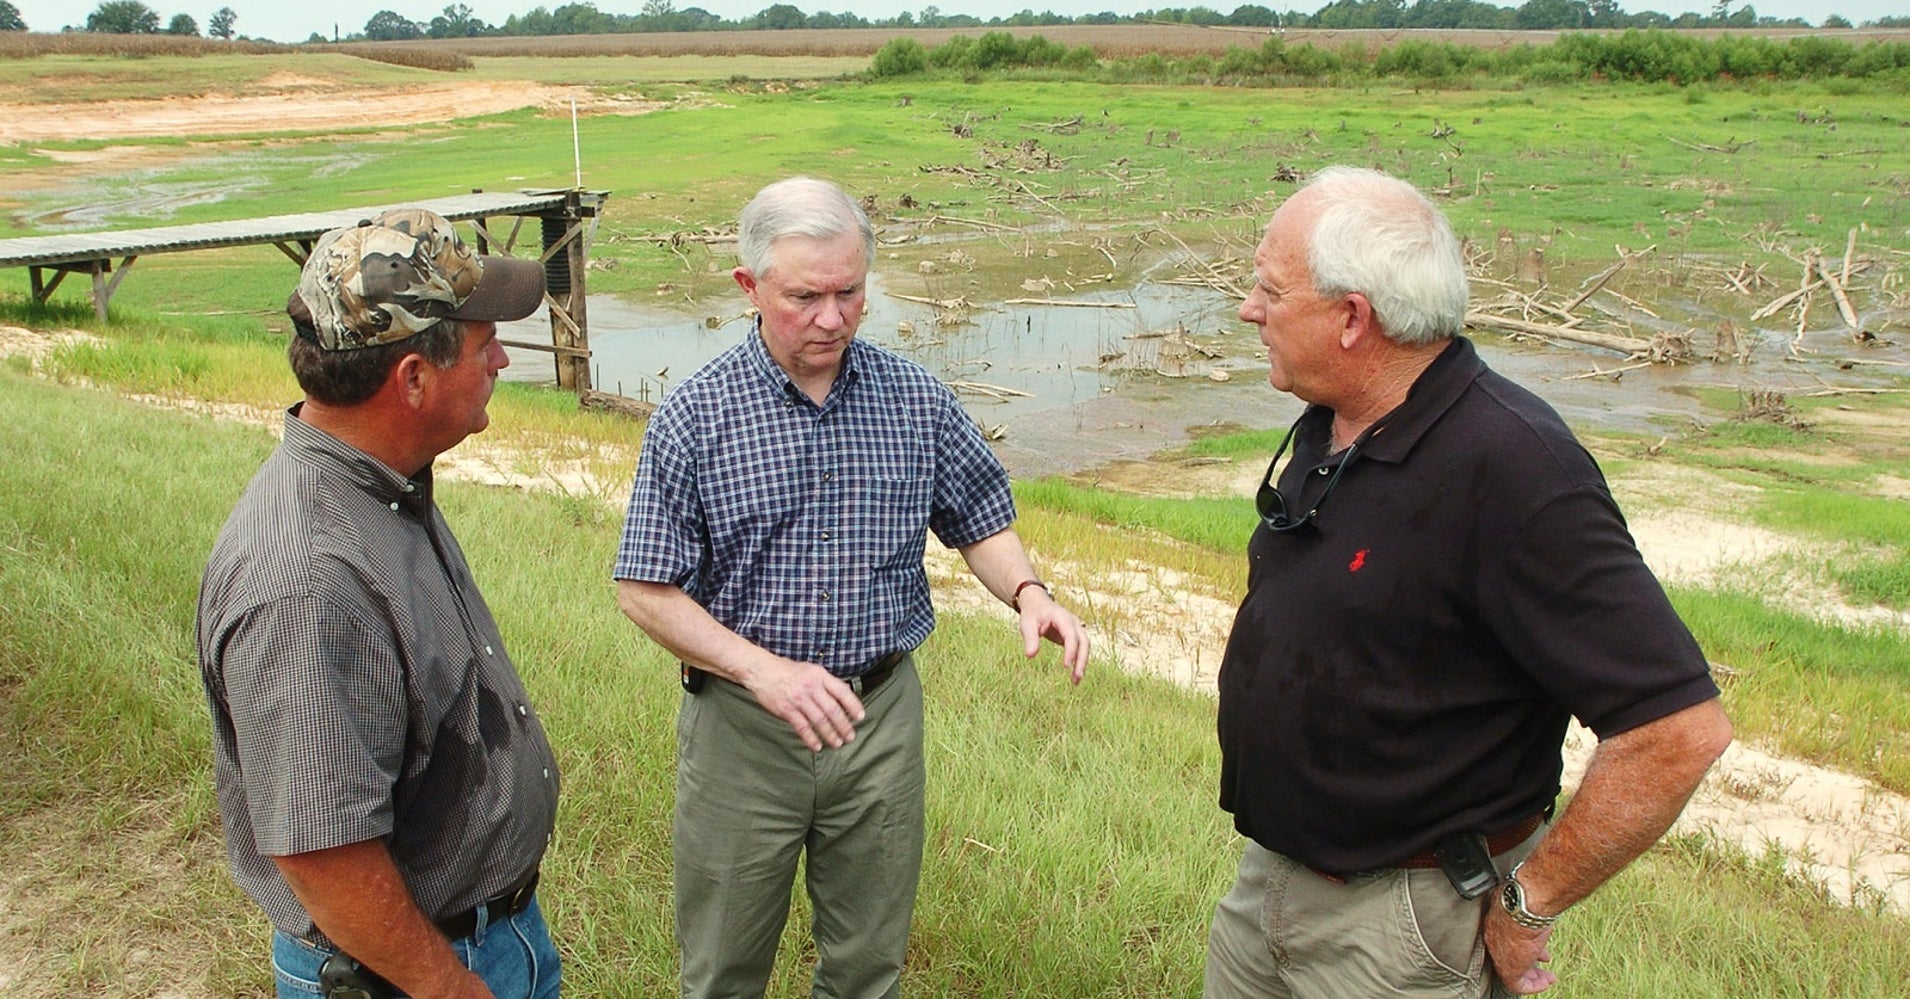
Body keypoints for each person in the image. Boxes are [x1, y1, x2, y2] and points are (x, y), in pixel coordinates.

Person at [1204, 167, 1733, 999]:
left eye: (1271, 290)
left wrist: (1530, 903)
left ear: (1353, 318)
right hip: (1269, 883)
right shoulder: (1337, 419)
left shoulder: (1516, 467)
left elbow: (1677, 731)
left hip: (1404, 928)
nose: (1248, 308)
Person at [614, 176, 1090, 999]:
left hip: (879, 724)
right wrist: (764, 670)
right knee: (723, 971)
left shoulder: (915, 399)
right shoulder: (695, 416)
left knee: (868, 967)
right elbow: (644, 589)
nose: (832, 317)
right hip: (744, 729)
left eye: (849, 292)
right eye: (805, 296)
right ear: (749, 287)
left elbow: (977, 515)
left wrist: (1029, 592)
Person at [198, 208, 562, 999]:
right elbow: (321, 851)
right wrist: (449, 985)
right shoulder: (305, 579)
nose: (501, 356)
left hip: (480, 940)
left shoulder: (378, 487)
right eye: (480, 344)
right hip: (412, 973)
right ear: (412, 379)